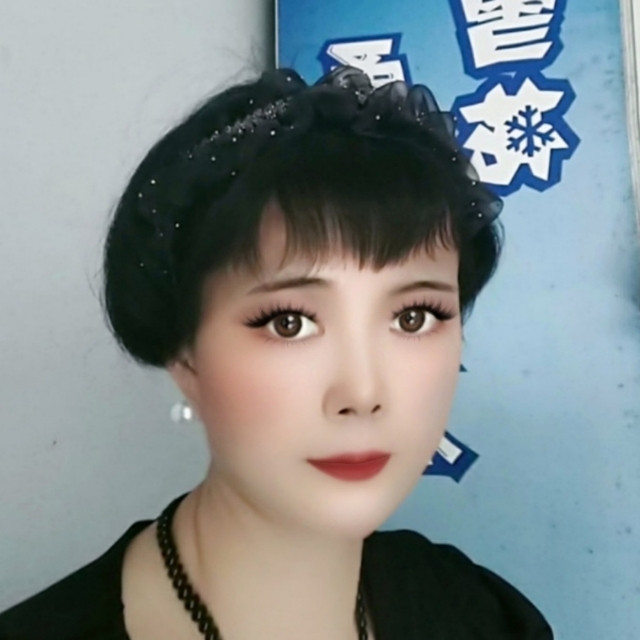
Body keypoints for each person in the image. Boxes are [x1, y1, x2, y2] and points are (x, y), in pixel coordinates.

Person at [0, 65, 553, 639]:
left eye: (413, 317)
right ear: (184, 355)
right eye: (290, 323)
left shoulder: (482, 615)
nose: (362, 393)